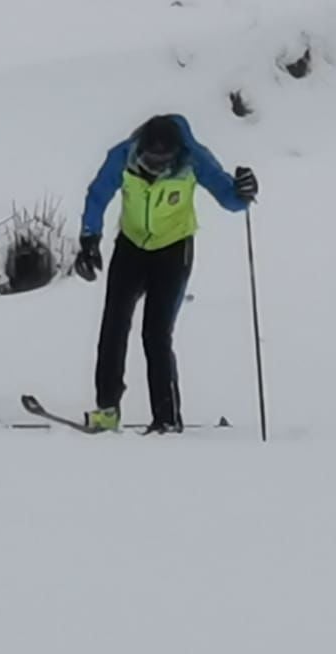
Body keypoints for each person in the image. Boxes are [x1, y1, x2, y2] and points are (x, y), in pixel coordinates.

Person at [73, 113, 257, 433]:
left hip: (173, 251)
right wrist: (90, 238)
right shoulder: (123, 155)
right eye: (150, 158)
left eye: (164, 160)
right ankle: (107, 409)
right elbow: (98, 194)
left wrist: (244, 190)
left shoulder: (195, 159)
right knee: (113, 327)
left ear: (177, 153)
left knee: (156, 334)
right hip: (130, 246)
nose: (156, 166)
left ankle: (167, 417)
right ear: (140, 148)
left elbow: (230, 199)